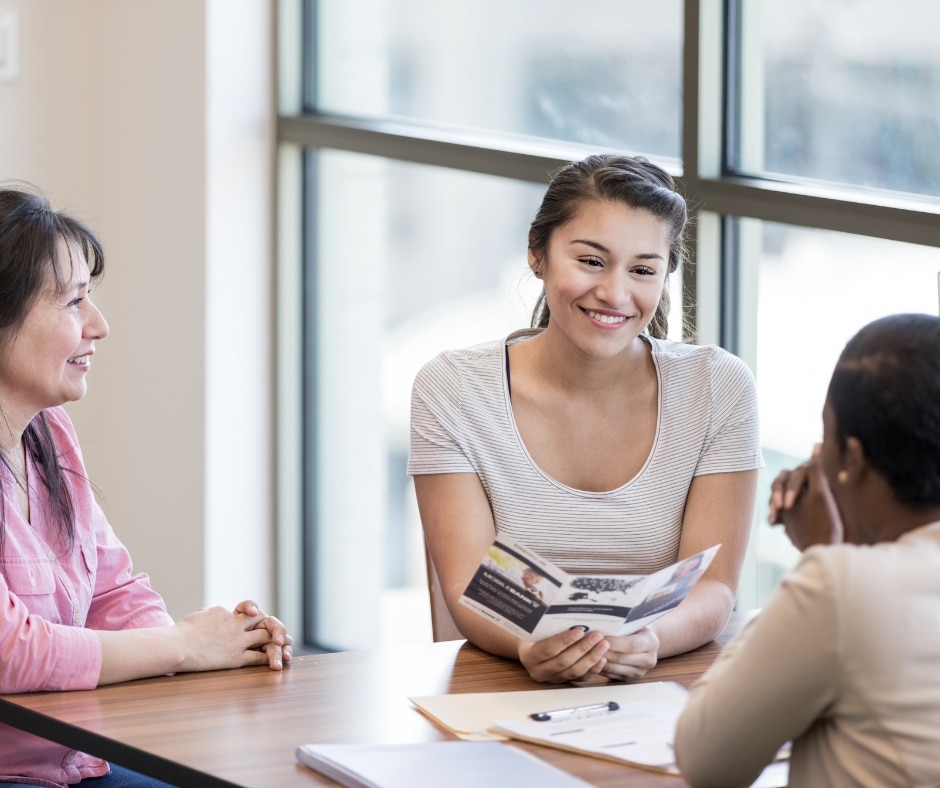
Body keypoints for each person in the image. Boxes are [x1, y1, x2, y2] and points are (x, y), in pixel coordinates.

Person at [409, 154, 762, 684]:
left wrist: (649, 640)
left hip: (661, 687)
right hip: (504, 688)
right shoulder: (454, 389)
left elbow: (714, 587)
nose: (615, 294)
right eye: (592, 262)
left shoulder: (718, 387)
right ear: (537, 254)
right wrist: (533, 646)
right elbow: (469, 584)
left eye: (643, 270)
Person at [0, 184, 293, 788]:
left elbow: (113, 590)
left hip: (73, 763)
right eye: (74, 302)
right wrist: (181, 647)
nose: (99, 326)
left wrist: (219, 646)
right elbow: (9, 650)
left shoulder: (49, 431)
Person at [674, 313, 940, 787]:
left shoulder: (841, 586)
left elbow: (706, 760)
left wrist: (824, 556)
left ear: (852, 459)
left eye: (827, 436)